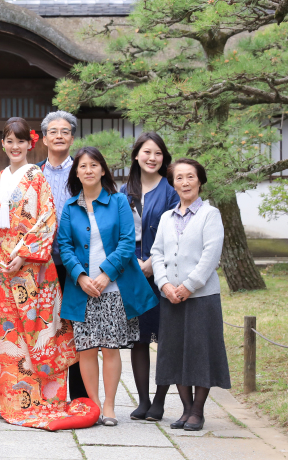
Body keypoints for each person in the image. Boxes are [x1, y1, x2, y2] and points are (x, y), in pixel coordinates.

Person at [0, 118, 99, 430]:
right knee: (8, 335)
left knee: (40, 334)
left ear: (30, 144)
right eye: (9, 141)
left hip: (33, 272)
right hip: (3, 271)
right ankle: (11, 400)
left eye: (20, 141)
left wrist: (23, 255)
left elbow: (47, 221)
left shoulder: (37, 178)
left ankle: (44, 399)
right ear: (2, 144)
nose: (15, 147)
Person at [57, 147, 158, 426]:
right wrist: (80, 276)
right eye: (82, 166)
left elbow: (127, 243)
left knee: (110, 348)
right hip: (82, 289)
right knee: (86, 349)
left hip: (113, 289)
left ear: (103, 169)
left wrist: (104, 274)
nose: (88, 170)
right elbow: (64, 246)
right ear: (76, 172)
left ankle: (111, 407)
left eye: (93, 165)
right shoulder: (69, 207)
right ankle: (95, 406)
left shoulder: (118, 202)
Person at [150, 158, 229, 432]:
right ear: (173, 184)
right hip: (170, 296)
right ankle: (184, 409)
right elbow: (156, 253)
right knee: (174, 352)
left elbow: (211, 255)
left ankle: (198, 411)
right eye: (179, 178)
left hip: (201, 296)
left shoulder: (210, 214)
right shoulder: (165, 217)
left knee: (200, 352)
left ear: (200, 180)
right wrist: (165, 285)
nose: (185, 182)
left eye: (190, 177)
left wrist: (188, 286)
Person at [119, 132, 180, 421]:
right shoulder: (124, 191)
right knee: (139, 337)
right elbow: (117, 232)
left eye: (157, 153)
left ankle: (159, 401)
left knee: (164, 337)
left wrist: (154, 263)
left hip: (163, 271)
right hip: (132, 270)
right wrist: (134, 262)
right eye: (147, 152)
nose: (152, 158)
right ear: (136, 155)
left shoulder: (170, 191)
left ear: (163, 157)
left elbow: (176, 233)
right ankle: (142, 400)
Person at [35, 111, 88, 401]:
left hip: (74, 262)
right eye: (53, 131)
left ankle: (80, 396)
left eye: (65, 131)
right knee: (45, 326)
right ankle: (48, 394)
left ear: (72, 136)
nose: (59, 135)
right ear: (44, 138)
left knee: (76, 325)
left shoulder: (82, 172)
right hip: (42, 263)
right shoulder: (34, 174)